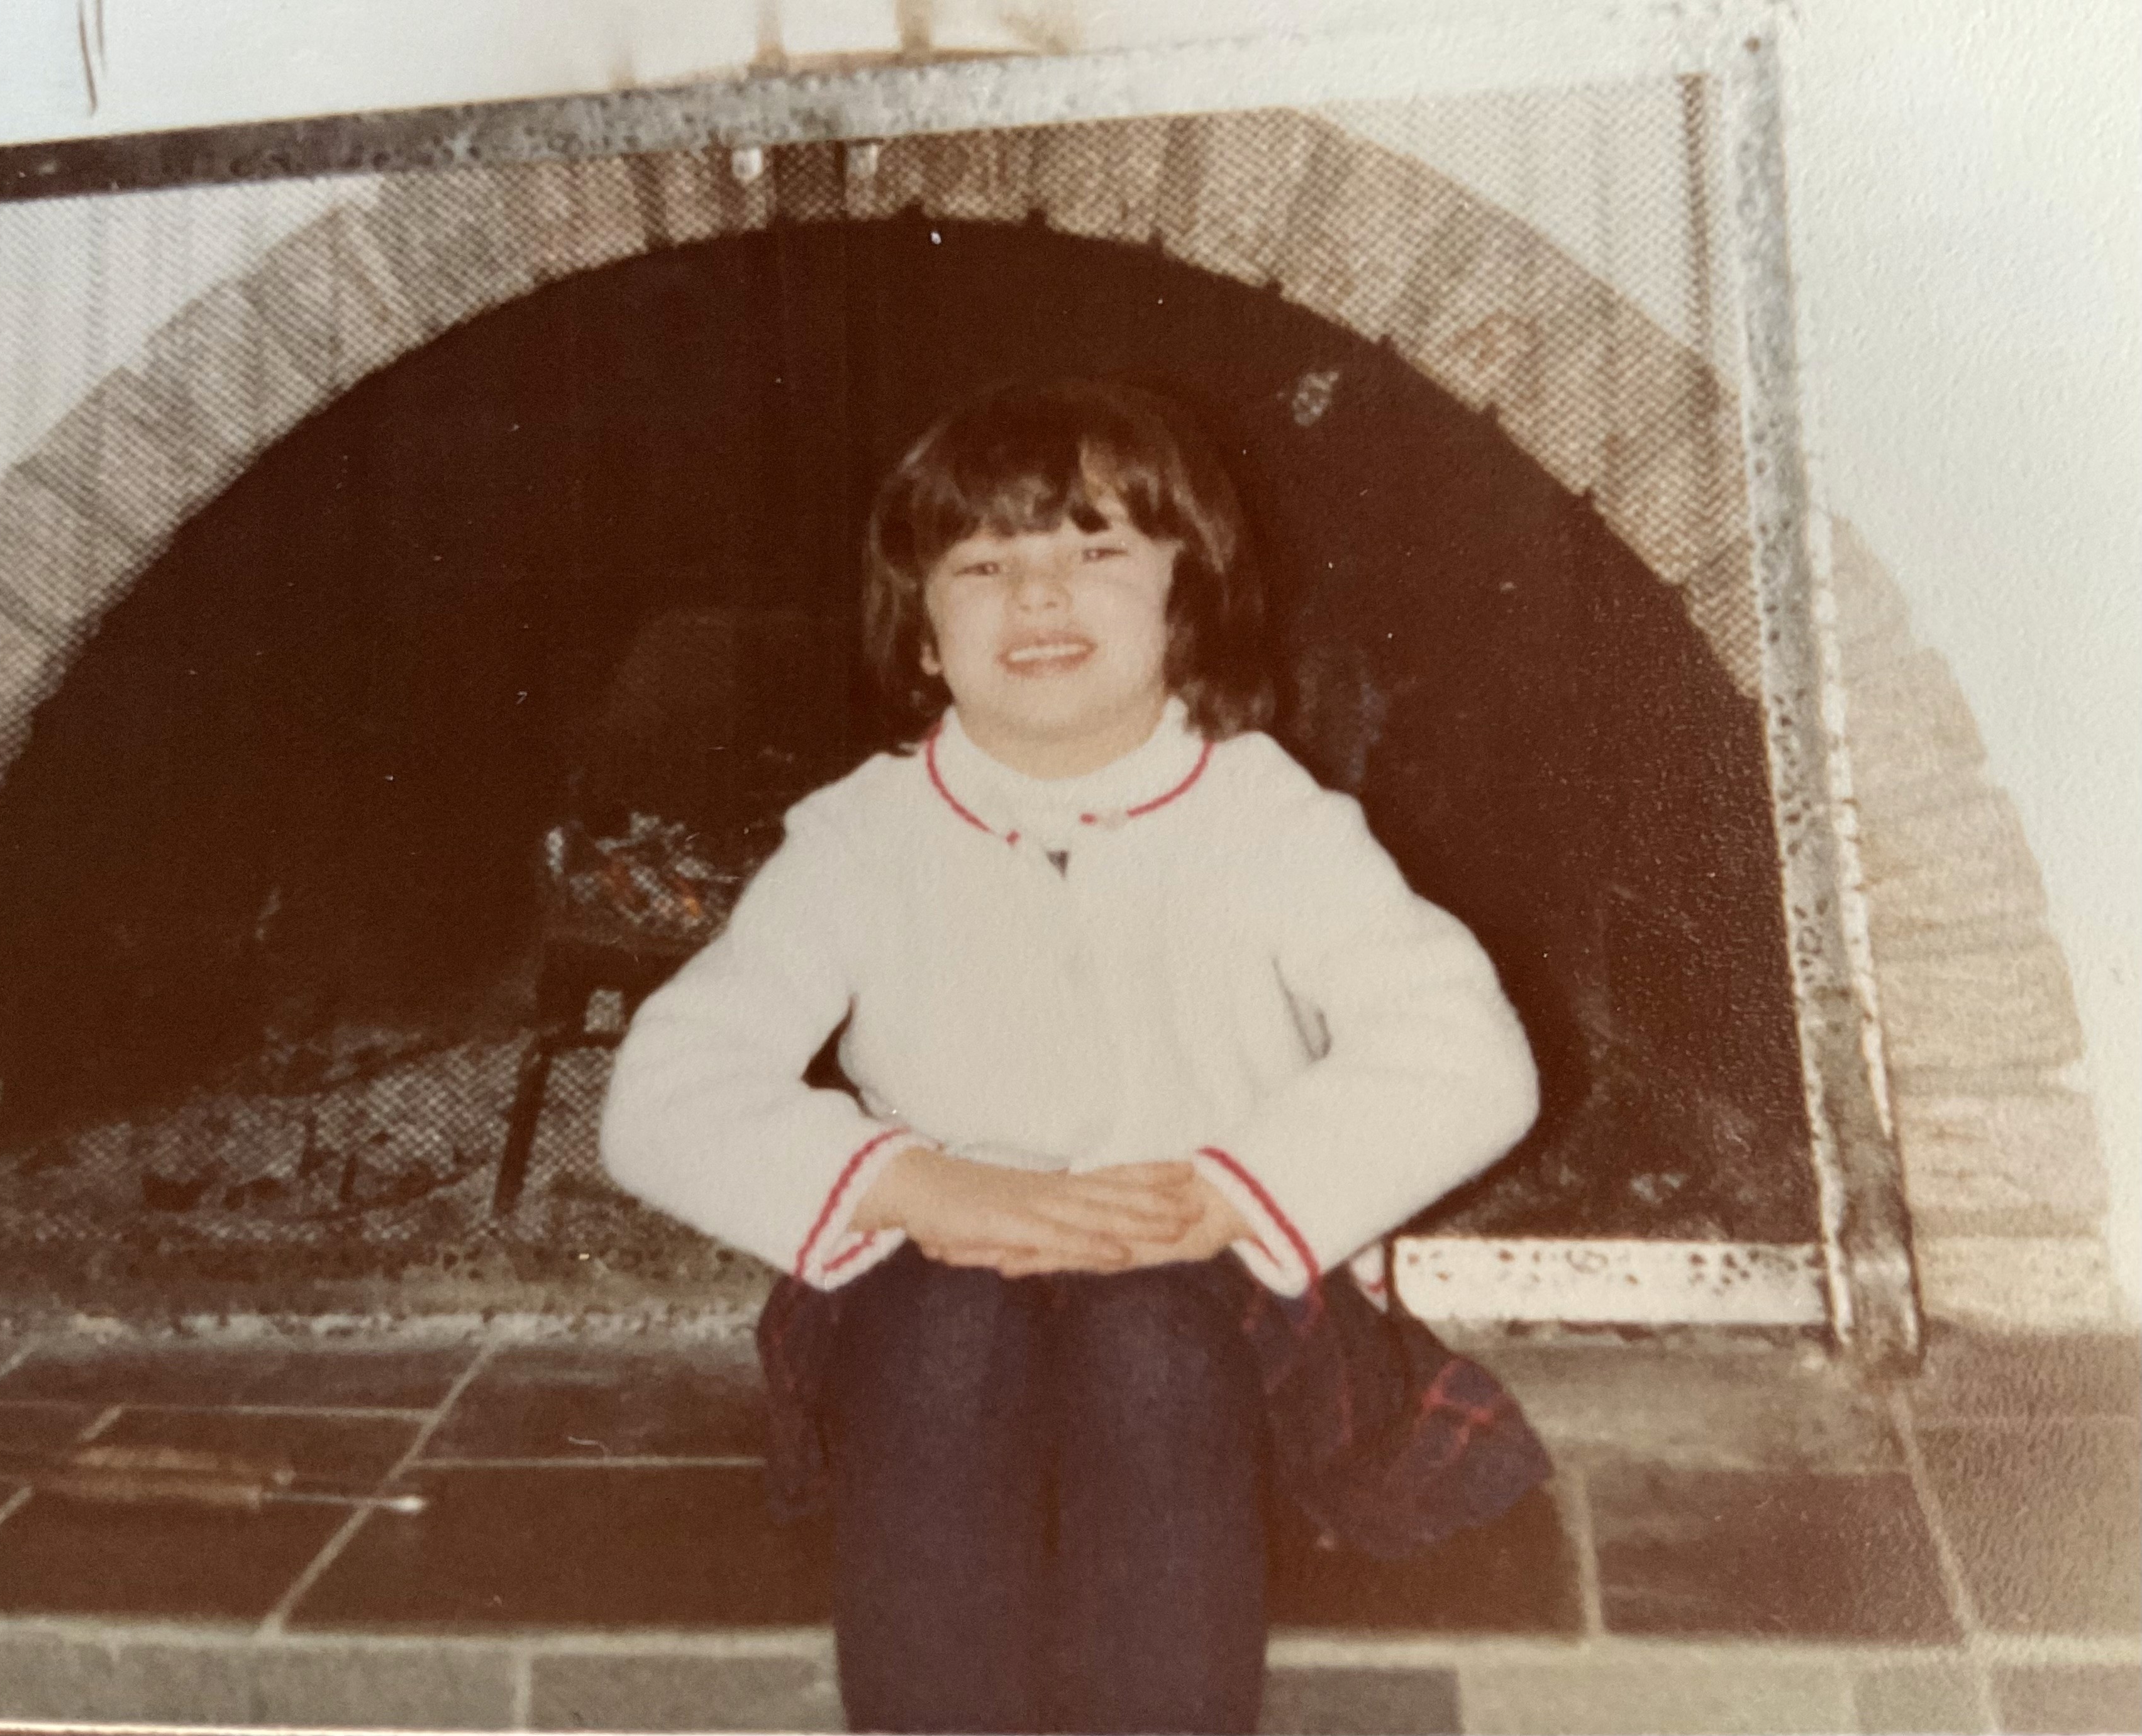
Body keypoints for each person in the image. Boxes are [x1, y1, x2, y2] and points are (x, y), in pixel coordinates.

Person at [601, 378, 1538, 1733]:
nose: (1037, 598)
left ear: (1183, 600)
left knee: (1141, 1334)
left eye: (1094, 551)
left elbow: (1465, 1050)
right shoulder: (858, 838)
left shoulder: (1268, 815)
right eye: (983, 564)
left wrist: (1216, 1193)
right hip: (933, 1298)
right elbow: (663, 1093)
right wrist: (925, 1189)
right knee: (943, 1322)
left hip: (1211, 1305)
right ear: (923, 633)